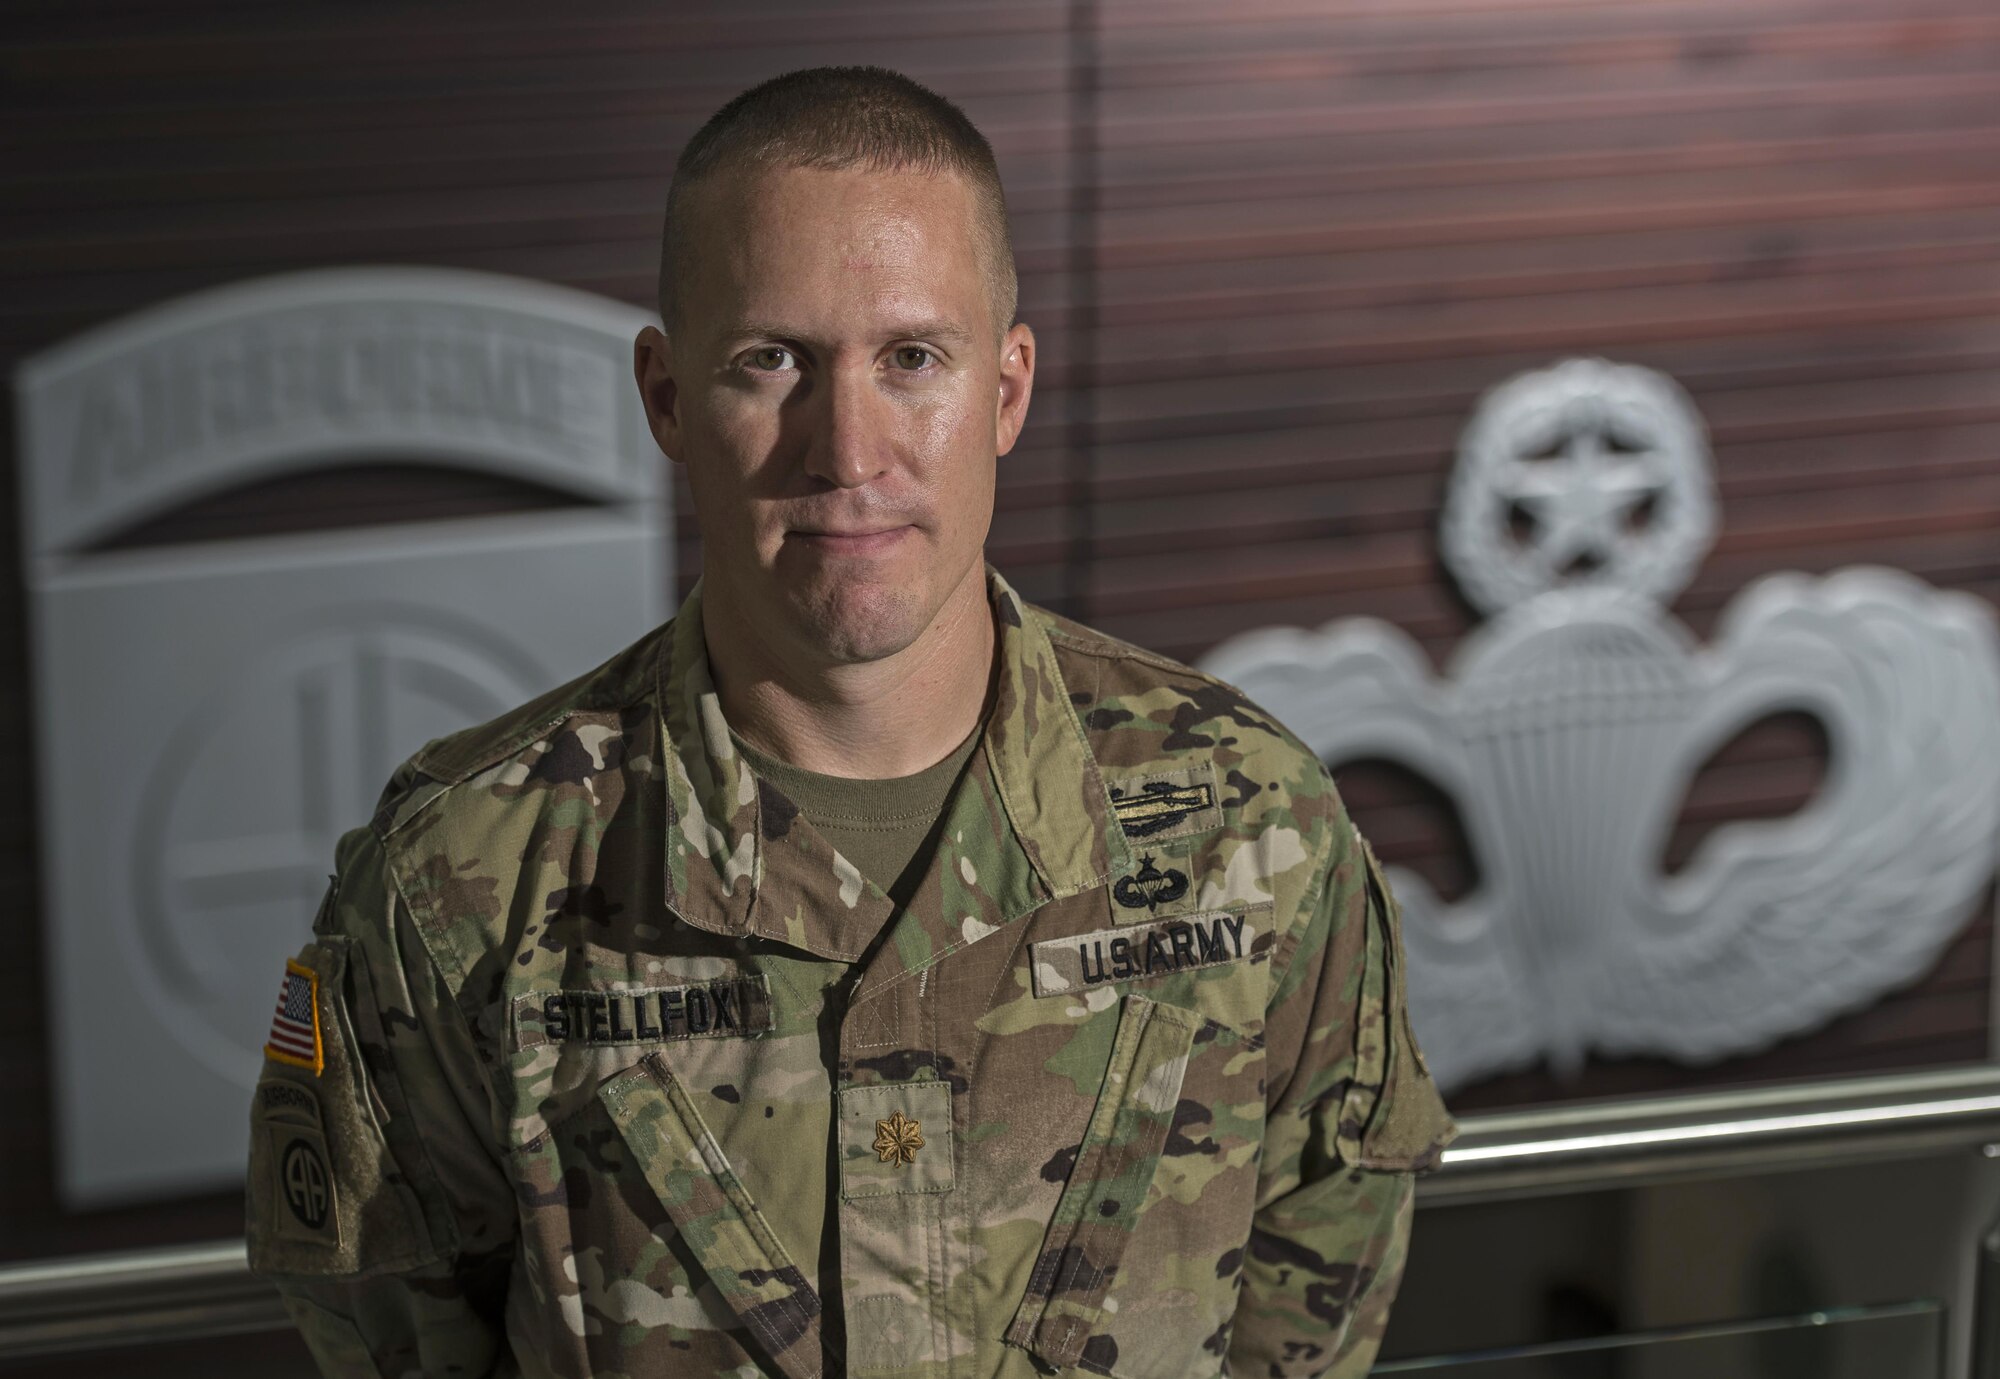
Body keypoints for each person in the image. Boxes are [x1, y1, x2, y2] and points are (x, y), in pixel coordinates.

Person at [245, 65, 1456, 1379]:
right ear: (665, 399)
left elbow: (1318, 1279)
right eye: (772, 361)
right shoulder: (460, 886)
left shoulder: (1251, 819)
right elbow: (396, 1339)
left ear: (1005, 392)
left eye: (913, 359)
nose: (849, 449)